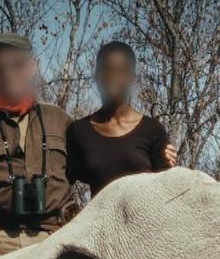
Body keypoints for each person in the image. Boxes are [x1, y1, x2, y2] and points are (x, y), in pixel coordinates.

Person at [0, 33, 177, 259]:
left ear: (32, 67)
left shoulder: (59, 120)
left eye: (16, 65)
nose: (8, 73)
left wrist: (161, 161)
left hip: (53, 237)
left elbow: (102, 162)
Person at [66, 41, 174, 196]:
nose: (113, 78)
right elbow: (63, 180)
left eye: (121, 72)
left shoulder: (152, 130)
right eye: (106, 71)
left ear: (132, 78)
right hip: (101, 219)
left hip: (146, 219)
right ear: (96, 76)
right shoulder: (79, 131)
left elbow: (167, 188)